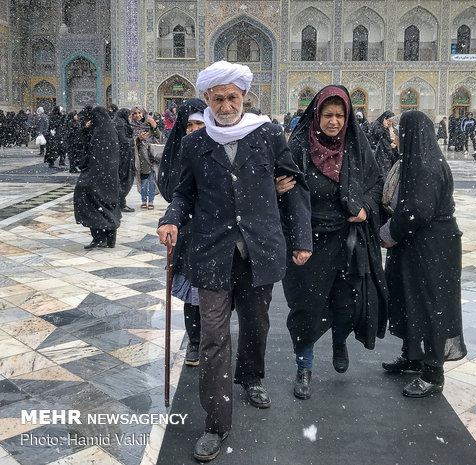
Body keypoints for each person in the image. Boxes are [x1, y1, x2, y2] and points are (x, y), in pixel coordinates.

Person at [156, 61, 313, 462]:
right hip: (212, 252)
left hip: (259, 249)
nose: (226, 105)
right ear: (207, 99)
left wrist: (301, 238)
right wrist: (171, 218)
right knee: (212, 337)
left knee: (257, 323)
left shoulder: (268, 134)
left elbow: (294, 186)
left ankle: (251, 377)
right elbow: (183, 194)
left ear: (244, 97)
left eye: (232, 97)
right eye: (218, 98)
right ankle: (216, 421)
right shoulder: (195, 144)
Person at [283, 85, 388, 401]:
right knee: (306, 308)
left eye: (339, 115)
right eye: (327, 115)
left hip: (347, 241)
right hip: (307, 243)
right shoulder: (299, 147)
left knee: (346, 303)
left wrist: (366, 207)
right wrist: (276, 186)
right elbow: (281, 186)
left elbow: (376, 183)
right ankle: (304, 367)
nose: (333, 121)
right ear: (316, 116)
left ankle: (339, 341)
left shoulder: (356, 147)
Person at [379, 110, 466, 397]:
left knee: (431, 305)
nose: (397, 137)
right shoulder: (417, 162)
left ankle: (433, 372)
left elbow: (418, 211)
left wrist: (389, 233)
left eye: (401, 132)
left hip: (433, 248)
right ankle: (413, 356)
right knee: (410, 299)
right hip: (417, 246)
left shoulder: (426, 166)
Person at [157, 98, 208, 366]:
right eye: (189, 124)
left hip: (215, 233)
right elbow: (171, 190)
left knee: (215, 295)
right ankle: (196, 342)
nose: (194, 129)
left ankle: (212, 340)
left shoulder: (218, 149)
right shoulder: (179, 152)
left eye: (200, 123)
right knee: (192, 294)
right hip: (187, 234)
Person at [74, 106, 121, 249]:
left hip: (97, 176)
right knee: (108, 204)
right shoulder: (110, 130)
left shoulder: (101, 132)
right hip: (110, 178)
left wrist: (83, 165)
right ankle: (109, 238)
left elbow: (91, 154)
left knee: (89, 201)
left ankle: (99, 237)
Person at [130, 105, 160, 209]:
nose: (138, 115)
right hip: (140, 156)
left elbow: (159, 138)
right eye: (135, 113)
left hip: (152, 155)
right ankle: (143, 200)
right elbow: (130, 142)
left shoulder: (149, 124)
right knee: (144, 179)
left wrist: (155, 127)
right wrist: (139, 139)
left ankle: (150, 201)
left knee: (152, 179)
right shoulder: (132, 125)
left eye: (139, 113)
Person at [113, 108, 137, 213]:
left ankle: (119, 202)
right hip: (123, 156)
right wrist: (133, 141)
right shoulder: (120, 124)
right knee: (125, 178)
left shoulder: (117, 122)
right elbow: (123, 141)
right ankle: (120, 202)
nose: (130, 118)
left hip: (120, 155)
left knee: (123, 178)